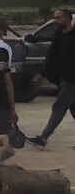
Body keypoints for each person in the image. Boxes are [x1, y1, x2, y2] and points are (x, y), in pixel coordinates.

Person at [30, 8, 75, 149]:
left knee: (59, 106)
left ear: (67, 19)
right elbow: (51, 58)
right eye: (54, 18)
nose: (56, 21)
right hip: (62, 78)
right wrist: (42, 74)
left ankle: (43, 138)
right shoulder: (58, 36)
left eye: (58, 18)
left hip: (72, 79)